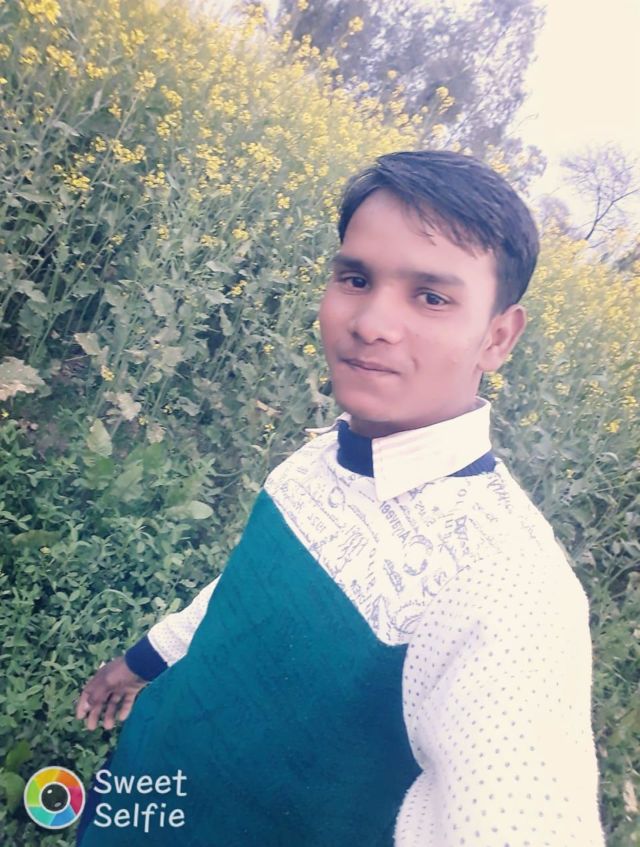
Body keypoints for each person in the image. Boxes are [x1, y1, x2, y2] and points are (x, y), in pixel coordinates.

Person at [74, 150, 606, 846]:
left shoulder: (508, 588)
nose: (371, 322)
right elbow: (247, 589)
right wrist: (142, 661)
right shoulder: (328, 450)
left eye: (432, 297)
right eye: (356, 278)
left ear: (498, 337)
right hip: (150, 786)